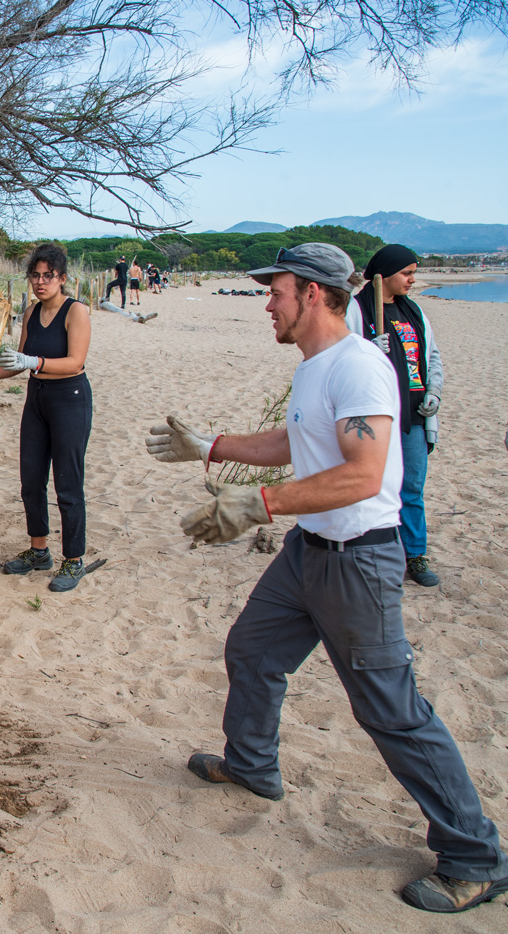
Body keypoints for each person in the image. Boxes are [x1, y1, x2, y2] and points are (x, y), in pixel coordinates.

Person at [145, 243, 507, 914]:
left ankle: (476, 856)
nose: (268, 302)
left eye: (276, 290)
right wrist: (213, 447)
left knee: (390, 710)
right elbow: (296, 442)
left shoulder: (360, 365)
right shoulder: (316, 366)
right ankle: (252, 766)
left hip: (360, 561)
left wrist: (262, 503)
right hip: (309, 554)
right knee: (253, 648)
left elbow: (362, 475)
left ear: (314, 293)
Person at [0, 242, 93, 592]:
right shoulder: (31, 312)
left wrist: (34, 362)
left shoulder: (76, 311)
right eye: (35, 276)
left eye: (48, 276)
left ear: (62, 278)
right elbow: (19, 360)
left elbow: (75, 361)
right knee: (31, 479)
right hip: (37, 399)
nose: (40, 282)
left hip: (70, 398)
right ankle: (39, 551)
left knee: (67, 483)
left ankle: (74, 559)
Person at [347, 244, 444, 587]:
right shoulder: (356, 311)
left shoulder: (414, 311)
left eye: (414, 272)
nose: (413, 280)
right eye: (407, 273)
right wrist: (366, 350)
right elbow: (339, 356)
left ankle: (415, 555)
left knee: (412, 489)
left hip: (414, 417)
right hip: (375, 418)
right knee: (371, 486)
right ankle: (371, 555)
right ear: (383, 275)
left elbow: (431, 357)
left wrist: (433, 393)